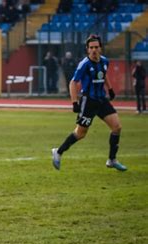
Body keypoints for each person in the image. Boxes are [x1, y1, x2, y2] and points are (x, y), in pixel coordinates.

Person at [52, 34, 127, 172]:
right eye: (91, 47)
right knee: (81, 133)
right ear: (87, 49)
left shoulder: (104, 61)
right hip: (89, 101)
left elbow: (104, 75)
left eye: (96, 47)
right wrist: (74, 102)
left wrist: (110, 89)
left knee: (117, 127)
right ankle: (58, 151)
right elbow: (73, 82)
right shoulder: (84, 64)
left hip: (101, 100)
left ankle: (112, 159)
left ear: (100, 48)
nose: (94, 50)